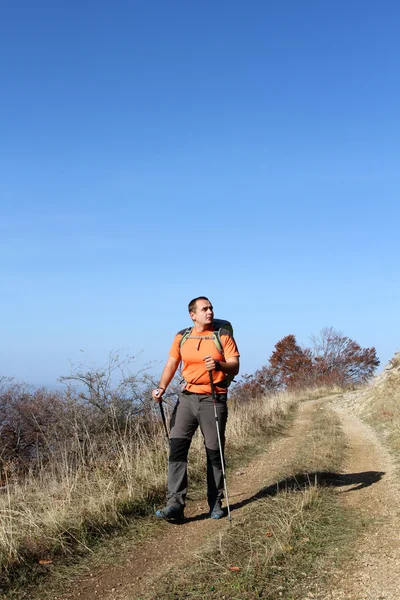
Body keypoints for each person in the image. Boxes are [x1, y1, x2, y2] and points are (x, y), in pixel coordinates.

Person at [152, 296, 240, 520]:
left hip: (213, 398)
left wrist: (219, 364)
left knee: (214, 451)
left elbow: (235, 366)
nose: (209, 312)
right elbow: (172, 363)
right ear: (193, 314)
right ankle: (174, 504)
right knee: (177, 448)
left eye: (210, 308)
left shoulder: (223, 336)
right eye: (204, 309)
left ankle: (215, 502)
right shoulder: (182, 337)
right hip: (187, 398)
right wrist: (161, 387)